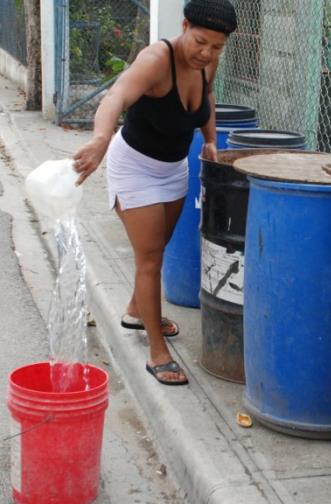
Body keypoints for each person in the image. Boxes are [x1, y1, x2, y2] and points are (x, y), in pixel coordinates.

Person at [72, 0, 237, 385]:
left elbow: (208, 99)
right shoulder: (156, 60)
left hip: (174, 168)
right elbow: (115, 97)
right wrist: (100, 138)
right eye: (200, 42)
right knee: (150, 259)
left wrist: (210, 139)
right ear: (183, 26)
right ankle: (157, 351)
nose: (207, 53)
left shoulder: (205, 61)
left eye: (217, 47)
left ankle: (137, 310)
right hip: (134, 168)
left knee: (157, 248)